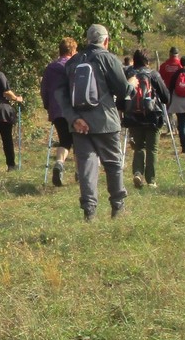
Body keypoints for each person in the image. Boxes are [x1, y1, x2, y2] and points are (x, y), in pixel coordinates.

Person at [55, 25, 134, 221]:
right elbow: (122, 90)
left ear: (87, 40)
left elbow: (61, 94)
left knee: (86, 168)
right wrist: (132, 84)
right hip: (106, 121)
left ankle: (89, 212)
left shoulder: (73, 62)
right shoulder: (108, 58)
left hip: (79, 124)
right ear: (106, 41)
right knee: (113, 164)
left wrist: (74, 119)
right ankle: (118, 207)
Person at [124, 50, 170, 188]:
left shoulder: (129, 74)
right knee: (152, 149)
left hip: (133, 116)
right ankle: (151, 180)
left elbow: (122, 95)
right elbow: (166, 97)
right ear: (147, 61)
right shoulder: (153, 74)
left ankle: (138, 172)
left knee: (138, 147)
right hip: (152, 117)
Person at [41, 37, 77, 186]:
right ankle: (79, 172)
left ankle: (59, 163)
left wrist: (48, 105)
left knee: (64, 140)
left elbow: (44, 89)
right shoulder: (75, 66)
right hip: (74, 109)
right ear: (73, 51)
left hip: (57, 110)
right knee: (78, 141)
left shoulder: (50, 68)